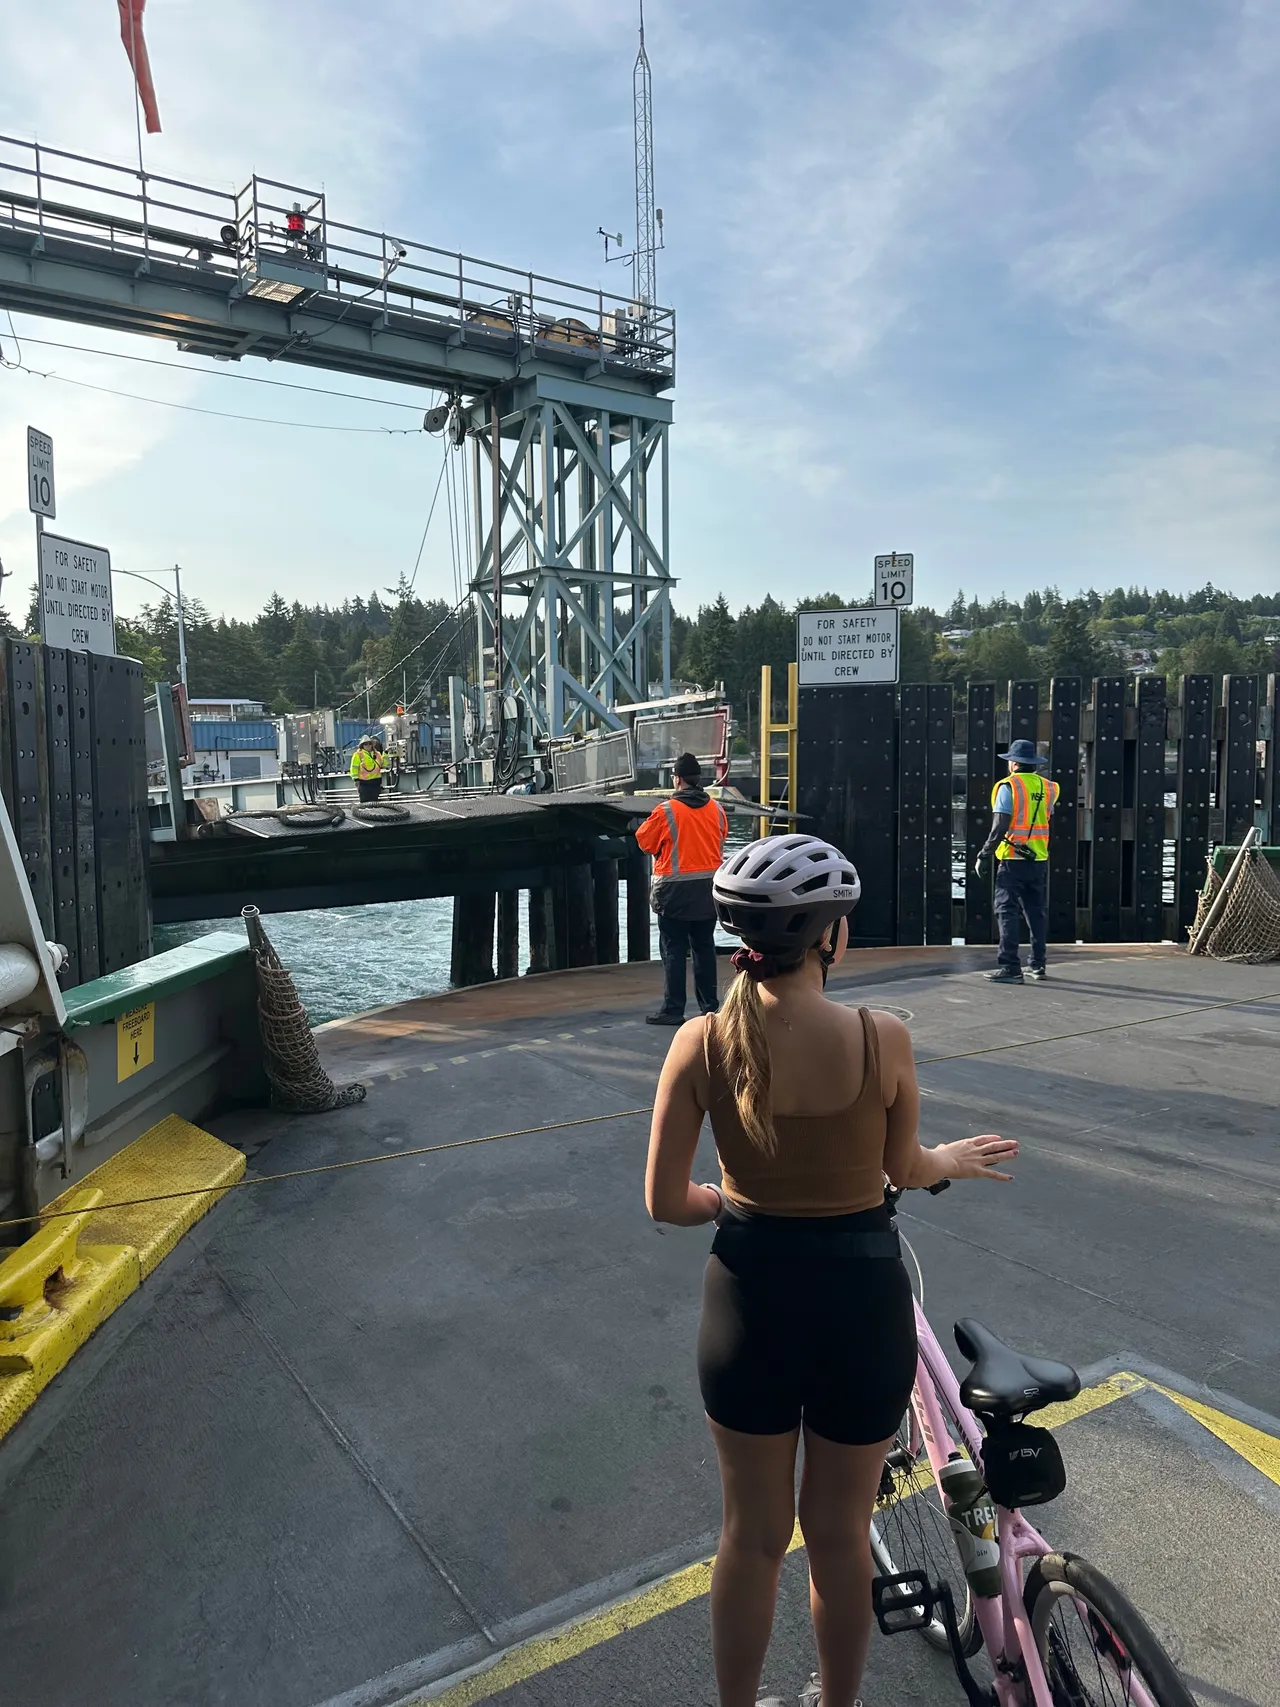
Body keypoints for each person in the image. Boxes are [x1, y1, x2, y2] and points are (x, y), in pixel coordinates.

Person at [645, 833, 1018, 1707]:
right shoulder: (879, 1037)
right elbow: (902, 1167)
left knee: (751, 1535)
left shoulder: (699, 1043)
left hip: (747, 1304)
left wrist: (724, 1200)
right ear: (827, 937)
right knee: (841, 1534)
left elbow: (666, 1199)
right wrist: (949, 1161)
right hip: (861, 1305)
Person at [635, 752, 729, 1025]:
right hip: (708, 893)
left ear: (677, 779)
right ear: (697, 779)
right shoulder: (717, 810)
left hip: (674, 894)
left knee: (673, 950)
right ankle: (710, 1007)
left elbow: (645, 842)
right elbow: (719, 840)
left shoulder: (665, 811)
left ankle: (673, 1010)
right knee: (704, 947)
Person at [973, 738, 1060, 984]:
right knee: (1036, 913)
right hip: (1039, 858)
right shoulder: (1050, 788)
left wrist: (984, 854)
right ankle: (1038, 964)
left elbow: (1000, 826)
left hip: (1012, 860)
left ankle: (1010, 967)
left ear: (1013, 763)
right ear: (1033, 763)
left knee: (1006, 911)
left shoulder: (1008, 787)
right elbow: (1045, 817)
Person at [350, 735, 384, 803]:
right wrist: (356, 779)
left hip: (376, 783)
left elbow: (383, 764)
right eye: (365, 744)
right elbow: (354, 768)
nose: (368, 745)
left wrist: (386, 754)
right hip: (364, 784)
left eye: (369, 743)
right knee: (365, 804)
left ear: (372, 745)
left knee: (375, 804)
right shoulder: (358, 755)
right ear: (362, 745)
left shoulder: (377, 754)